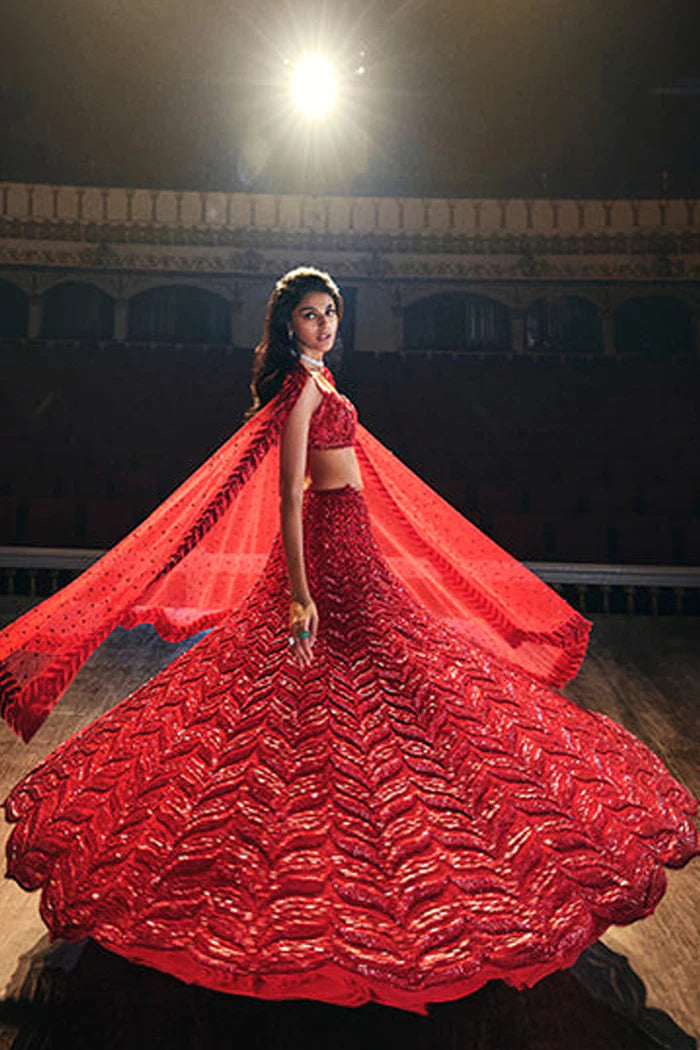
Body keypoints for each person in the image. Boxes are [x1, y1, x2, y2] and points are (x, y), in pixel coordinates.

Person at [1, 266, 698, 1016]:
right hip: (324, 555)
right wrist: (300, 592)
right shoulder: (300, 393)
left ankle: (369, 840)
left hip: (354, 546)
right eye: (309, 314)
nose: (324, 324)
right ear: (286, 325)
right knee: (324, 692)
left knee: (392, 684)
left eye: (331, 312)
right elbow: (289, 498)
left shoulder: (324, 381)